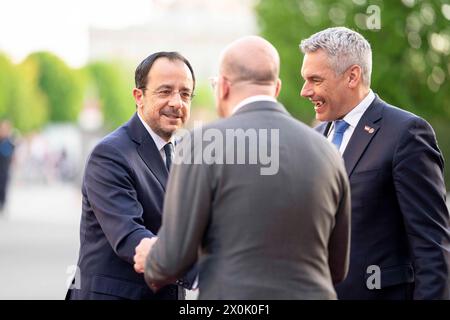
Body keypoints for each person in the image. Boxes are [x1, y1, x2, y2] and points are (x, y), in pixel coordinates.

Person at [133, 36, 351, 299]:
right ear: (277, 88)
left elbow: (173, 259)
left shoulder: (204, 144)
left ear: (223, 87)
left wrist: (151, 257)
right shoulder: (328, 151)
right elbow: (337, 268)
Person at [299, 27, 450, 299]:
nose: (304, 91)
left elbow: (432, 249)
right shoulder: (315, 137)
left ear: (352, 76)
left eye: (315, 80)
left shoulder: (407, 134)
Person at [67, 52, 197, 300]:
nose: (177, 102)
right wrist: (203, 270)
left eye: (185, 94)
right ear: (139, 96)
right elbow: (130, 237)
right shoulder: (110, 154)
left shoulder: (184, 153)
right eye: (165, 91)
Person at [0, 120, 14, 214]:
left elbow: (11, 155)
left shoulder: (9, 141)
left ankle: (2, 204)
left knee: (3, 187)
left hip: (5, 169)